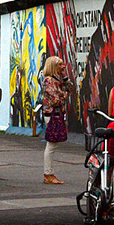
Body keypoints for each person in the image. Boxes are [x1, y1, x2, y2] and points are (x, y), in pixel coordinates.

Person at [42, 56, 73, 185]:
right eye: (60, 65)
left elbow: (70, 88)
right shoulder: (49, 81)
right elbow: (55, 100)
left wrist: (65, 77)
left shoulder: (57, 80)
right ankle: (48, 173)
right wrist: (63, 96)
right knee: (51, 144)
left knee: (52, 144)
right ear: (53, 66)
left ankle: (48, 173)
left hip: (56, 114)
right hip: (52, 114)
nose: (63, 67)